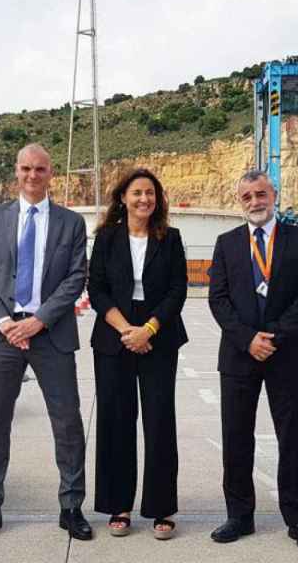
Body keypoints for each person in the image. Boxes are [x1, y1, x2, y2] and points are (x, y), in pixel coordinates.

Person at [0, 143, 92, 542]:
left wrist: (39, 321)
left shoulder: (71, 223)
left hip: (50, 334)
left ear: (50, 173)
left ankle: (71, 505)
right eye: (25, 168)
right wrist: (5, 321)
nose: (32, 175)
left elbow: (76, 277)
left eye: (39, 169)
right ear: (16, 172)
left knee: (68, 422)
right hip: (2, 335)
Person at [206, 170, 298, 552]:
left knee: (293, 439)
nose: (255, 202)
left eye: (261, 194)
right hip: (239, 356)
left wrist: (273, 335)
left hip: (286, 354)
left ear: (274, 195)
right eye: (247, 197)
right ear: (239, 201)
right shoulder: (226, 244)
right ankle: (239, 516)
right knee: (236, 438)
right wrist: (247, 338)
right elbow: (218, 300)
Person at [87, 168, 188, 540]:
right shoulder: (107, 238)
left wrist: (148, 329)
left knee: (160, 422)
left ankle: (162, 508)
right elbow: (96, 289)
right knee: (116, 421)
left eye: (150, 193)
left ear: (157, 199)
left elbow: (177, 289)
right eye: (137, 193)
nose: (144, 199)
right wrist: (126, 329)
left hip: (158, 337)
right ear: (123, 198)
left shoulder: (171, 238)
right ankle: (119, 504)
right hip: (114, 337)